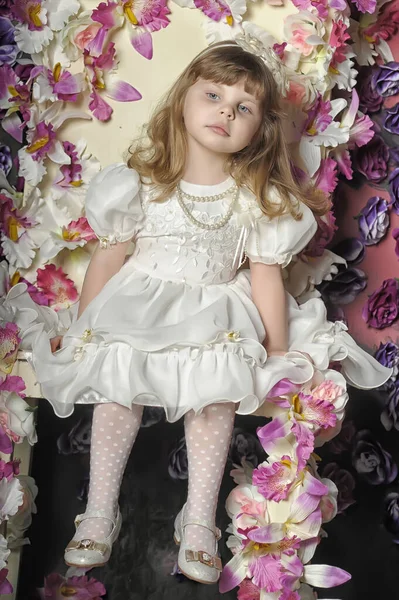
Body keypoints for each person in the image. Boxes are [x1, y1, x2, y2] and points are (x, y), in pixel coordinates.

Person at [28, 40, 391, 585]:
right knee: (116, 386)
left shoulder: (254, 199)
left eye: (243, 108)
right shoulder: (141, 184)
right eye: (214, 95)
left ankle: (198, 519)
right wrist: (86, 329)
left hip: (215, 308)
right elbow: (108, 258)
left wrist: (274, 349)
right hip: (138, 305)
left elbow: (266, 277)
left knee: (217, 389)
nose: (226, 110)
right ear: (182, 102)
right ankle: (99, 511)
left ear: (258, 130)